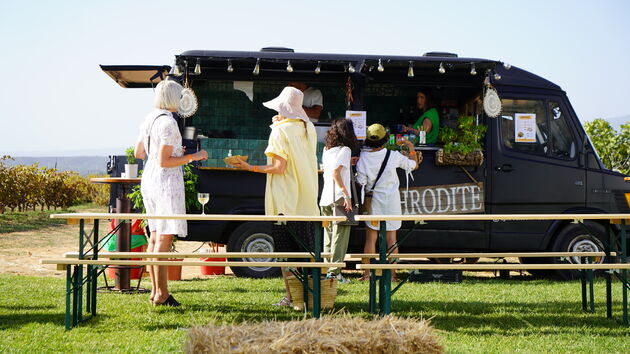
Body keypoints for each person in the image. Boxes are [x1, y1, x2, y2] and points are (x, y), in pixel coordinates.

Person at [228, 86, 319, 307]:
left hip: (285, 201)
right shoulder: (308, 128)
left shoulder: (280, 131)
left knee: (286, 255)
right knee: (306, 254)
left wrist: (250, 167)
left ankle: (291, 297)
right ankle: (308, 297)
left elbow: (279, 167)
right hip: (307, 200)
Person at [133, 79, 208, 306]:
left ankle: (156, 292)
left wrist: (175, 152)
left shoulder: (149, 118)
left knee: (155, 236)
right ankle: (162, 294)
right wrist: (193, 157)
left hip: (149, 178)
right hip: (165, 182)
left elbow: (139, 153)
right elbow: (166, 162)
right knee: (164, 238)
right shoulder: (169, 123)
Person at [356, 123, 420, 282]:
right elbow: (414, 165)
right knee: (392, 239)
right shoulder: (393, 156)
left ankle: (366, 275)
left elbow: (361, 181)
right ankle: (392, 275)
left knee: (371, 239)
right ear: (385, 140)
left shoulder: (363, 158)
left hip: (374, 202)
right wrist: (411, 146)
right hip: (392, 202)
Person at [319, 118, 358, 284]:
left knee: (328, 237)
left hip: (325, 198)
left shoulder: (327, 150)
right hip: (339, 198)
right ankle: (335, 273)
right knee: (340, 237)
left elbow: (328, 170)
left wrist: (347, 163)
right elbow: (336, 173)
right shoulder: (346, 150)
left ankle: (328, 270)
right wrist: (346, 195)